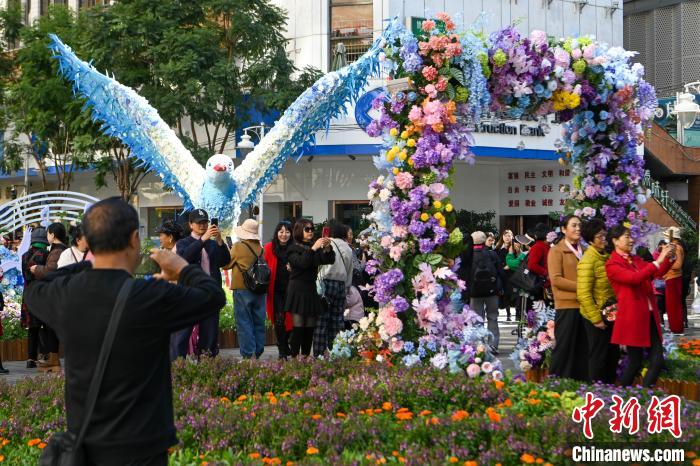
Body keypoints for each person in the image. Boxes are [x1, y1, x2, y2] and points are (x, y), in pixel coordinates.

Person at [24, 197, 225, 465]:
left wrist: (87, 265)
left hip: (87, 447)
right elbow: (212, 296)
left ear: (89, 242)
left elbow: (34, 289)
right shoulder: (149, 296)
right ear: (134, 239)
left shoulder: (66, 295)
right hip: (143, 447)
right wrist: (183, 269)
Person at [605, 225, 673, 387]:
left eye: (630, 236)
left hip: (648, 315)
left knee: (657, 360)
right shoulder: (612, 265)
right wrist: (658, 260)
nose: (631, 240)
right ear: (615, 241)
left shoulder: (635, 259)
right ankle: (625, 396)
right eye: (626, 237)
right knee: (635, 362)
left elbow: (655, 273)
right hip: (633, 317)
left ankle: (641, 395)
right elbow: (635, 279)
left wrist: (669, 258)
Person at [172, 209, 231, 359]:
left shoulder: (212, 244)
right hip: (189, 295)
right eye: (199, 223)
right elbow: (184, 258)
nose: (203, 225)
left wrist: (219, 242)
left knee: (209, 334)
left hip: (210, 295)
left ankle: (207, 367)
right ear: (191, 225)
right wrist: (202, 240)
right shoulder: (183, 243)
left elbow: (225, 261)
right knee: (182, 334)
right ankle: (177, 367)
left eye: (205, 222)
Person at [576, 219, 619, 384]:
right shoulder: (588, 261)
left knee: (612, 353)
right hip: (595, 317)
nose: (604, 239)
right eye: (600, 236)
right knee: (599, 355)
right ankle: (596, 392)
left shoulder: (605, 257)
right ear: (590, 239)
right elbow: (583, 294)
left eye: (604, 235)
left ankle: (610, 388)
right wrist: (596, 319)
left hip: (610, 313)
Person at [548, 215, 588, 382]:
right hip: (566, 305)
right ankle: (554, 382)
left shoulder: (585, 251)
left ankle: (578, 384)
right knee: (564, 346)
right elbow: (556, 280)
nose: (578, 228)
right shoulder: (557, 251)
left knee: (582, 347)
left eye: (580, 225)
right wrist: (583, 288)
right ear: (564, 229)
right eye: (574, 225)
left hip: (585, 306)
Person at [285, 219, 334, 357]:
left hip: (311, 289)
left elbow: (328, 260)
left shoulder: (314, 247)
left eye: (312, 229)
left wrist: (327, 248)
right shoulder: (293, 248)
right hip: (297, 289)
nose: (311, 231)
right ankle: (294, 358)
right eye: (307, 229)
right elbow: (302, 263)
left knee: (310, 327)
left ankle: (306, 357)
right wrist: (314, 248)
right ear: (299, 230)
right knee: (298, 327)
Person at [30, 222, 69, 372]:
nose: (47, 236)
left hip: (55, 293)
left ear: (52, 235)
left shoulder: (58, 250)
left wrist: (36, 269)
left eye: (48, 233)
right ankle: (52, 359)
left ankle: (53, 360)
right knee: (49, 326)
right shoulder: (59, 249)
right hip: (56, 292)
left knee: (50, 327)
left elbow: (50, 271)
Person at [227, 219, 266, 359]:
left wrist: (228, 249)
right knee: (258, 321)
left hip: (242, 288)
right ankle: (258, 351)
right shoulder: (261, 249)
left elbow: (226, 265)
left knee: (244, 321)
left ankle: (248, 355)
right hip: (260, 289)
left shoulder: (238, 247)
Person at [314, 222, 354, 357]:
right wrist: (346, 287)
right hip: (341, 285)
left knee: (321, 321)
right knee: (338, 321)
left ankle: (319, 355)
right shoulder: (348, 248)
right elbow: (350, 271)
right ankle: (337, 353)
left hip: (326, 284)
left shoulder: (326, 242)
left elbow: (319, 265)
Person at [469, 231, 503, 354]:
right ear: (484, 241)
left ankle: (479, 346)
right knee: (493, 317)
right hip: (492, 291)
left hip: (474, 293)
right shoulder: (492, 254)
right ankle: (493, 345)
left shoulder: (469, 255)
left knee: (477, 319)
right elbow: (500, 272)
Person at [263, 221, 294, 359]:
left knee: (292, 319)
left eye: (287, 231)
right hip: (274, 290)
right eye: (281, 231)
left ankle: (284, 342)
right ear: (277, 233)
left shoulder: (295, 248)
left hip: (292, 289)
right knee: (279, 319)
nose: (284, 234)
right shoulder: (269, 248)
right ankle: (282, 350)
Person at [21, 227, 50, 369]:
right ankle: (43, 356)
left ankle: (30, 359)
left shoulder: (24, 256)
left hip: (28, 295)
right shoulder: (47, 255)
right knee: (44, 326)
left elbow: (25, 276)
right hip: (42, 294)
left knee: (32, 328)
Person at [662, 227, 684, 334]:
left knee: (673, 305)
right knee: (671, 305)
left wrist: (666, 265)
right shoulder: (673, 247)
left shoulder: (677, 248)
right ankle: (675, 327)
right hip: (671, 278)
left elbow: (678, 264)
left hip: (673, 278)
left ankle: (676, 328)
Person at [495, 230, 516, 321]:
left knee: (508, 293)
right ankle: (497, 311)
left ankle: (509, 314)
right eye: (505, 236)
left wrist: (510, 265)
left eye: (509, 236)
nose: (507, 237)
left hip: (511, 274)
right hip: (500, 273)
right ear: (502, 237)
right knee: (500, 292)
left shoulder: (515, 248)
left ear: (512, 237)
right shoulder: (498, 248)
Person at [527, 223, 551, 300]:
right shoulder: (537, 247)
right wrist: (546, 273)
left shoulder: (547, 246)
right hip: (541, 284)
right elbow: (532, 265)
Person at [652, 240, 667, 328]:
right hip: (657, 285)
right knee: (659, 306)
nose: (662, 247)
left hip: (665, 284)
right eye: (661, 245)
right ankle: (660, 323)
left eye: (664, 245)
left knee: (663, 306)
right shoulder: (655, 256)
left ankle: (661, 322)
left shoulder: (666, 256)